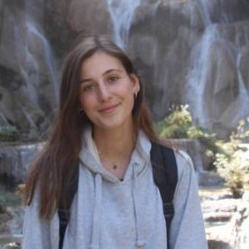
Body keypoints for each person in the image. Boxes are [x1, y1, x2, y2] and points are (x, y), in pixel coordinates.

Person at [23, 34, 207, 248]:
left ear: (134, 83)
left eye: (112, 78)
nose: (104, 95)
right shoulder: (53, 172)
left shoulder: (175, 169)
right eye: (88, 87)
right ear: (78, 101)